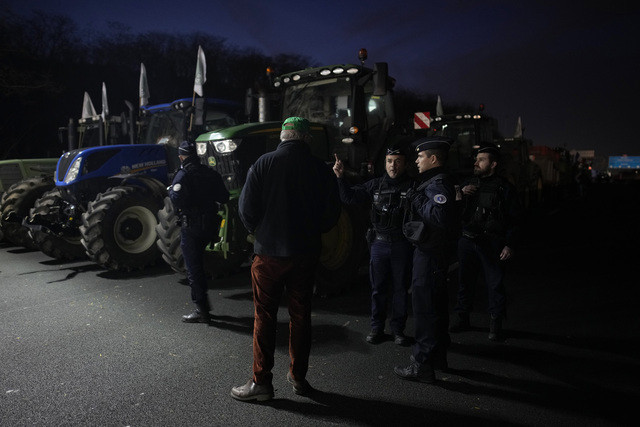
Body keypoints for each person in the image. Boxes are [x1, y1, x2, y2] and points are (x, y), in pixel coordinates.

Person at [231, 117, 341, 402]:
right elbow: (331, 214)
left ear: (282, 136)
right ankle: (298, 377)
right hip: (305, 254)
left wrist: (261, 232)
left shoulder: (263, 163)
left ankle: (261, 382)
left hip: (268, 254)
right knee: (301, 315)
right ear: (306, 138)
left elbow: (245, 209)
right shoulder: (321, 169)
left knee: (264, 317)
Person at [333, 145, 413, 346]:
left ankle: (398, 330)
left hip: (402, 245)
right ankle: (377, 328)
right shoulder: (375, 185)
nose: (393, 166)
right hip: (379, 245)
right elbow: (349, 197)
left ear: (405, 163)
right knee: (378, 289)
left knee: (400, 289)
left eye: (397, 161)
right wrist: (340, 178)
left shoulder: (412, 186)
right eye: (389, 161)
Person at [394, 136, 458, 384]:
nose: (417, 160)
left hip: (430, 255)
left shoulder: (437, 184)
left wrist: (417, 199)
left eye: (421, 156)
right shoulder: (437, 181)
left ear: (433, 158)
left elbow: (439, 217)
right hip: (435, 253)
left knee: (425, 310)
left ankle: (421, 365)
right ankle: (438, 359)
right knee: (437, 309)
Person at [449, 143, 522, 341]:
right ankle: (463, 318)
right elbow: (453, 210)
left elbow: (515, 219)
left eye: (481, 160)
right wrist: (461, 194)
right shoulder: (468, 183)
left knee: (494, 284)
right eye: (476, 159)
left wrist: (510, 244)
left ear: (493, 164)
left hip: (491, 243)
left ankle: (495, 324)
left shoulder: (504, 188)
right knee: (465, 282)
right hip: (467, 240)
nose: (476, 162)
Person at [169, 140, 229, 323]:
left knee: (194, 269)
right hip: (211, 225)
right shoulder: (210, 173)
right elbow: (224, 197)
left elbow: (176, 199)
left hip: (192, 227)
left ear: (181, 156)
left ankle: (201, 309)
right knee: (201, 264)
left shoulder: (183, 175)